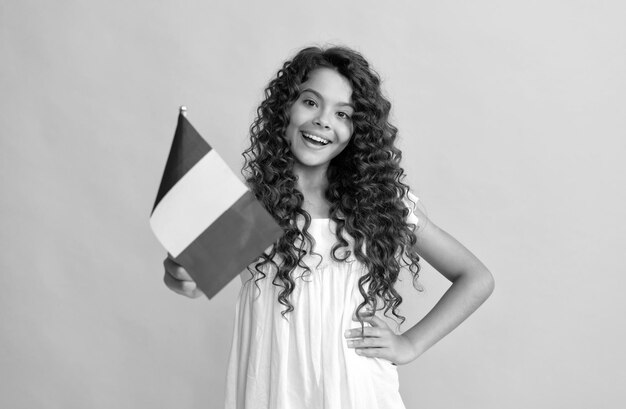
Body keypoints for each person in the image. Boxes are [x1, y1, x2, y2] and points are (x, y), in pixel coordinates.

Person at [163, 46, 495, 409]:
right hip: (274, 389)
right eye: (310, 102)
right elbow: (192, 281)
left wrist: (410, 344)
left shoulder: (378, 206)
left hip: (357, 391)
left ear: (357, 131)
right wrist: (178, 273)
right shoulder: (249, 208)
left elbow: (475, 277)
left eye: (343, 113)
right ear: (285, 109)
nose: (323, 120)